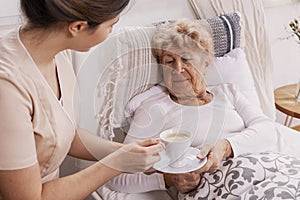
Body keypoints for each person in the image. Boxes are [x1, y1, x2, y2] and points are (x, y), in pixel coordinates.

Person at [97, 18, 300, 198]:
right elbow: (118, 174)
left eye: (186, 59)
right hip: (224, 187)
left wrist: (227, 146)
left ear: (205, 63)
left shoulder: (228, 92)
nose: (177, 69)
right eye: (169, 61)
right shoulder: (153, 108)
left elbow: (267, 130)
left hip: (277, 170)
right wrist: (166, 180)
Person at [0, 0, 164, 199]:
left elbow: (63, 134)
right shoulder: (7, 88)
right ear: (77, 27)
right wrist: (116, 164)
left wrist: (127, 152)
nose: (111, 32)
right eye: (110, 25)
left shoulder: (56, 52)